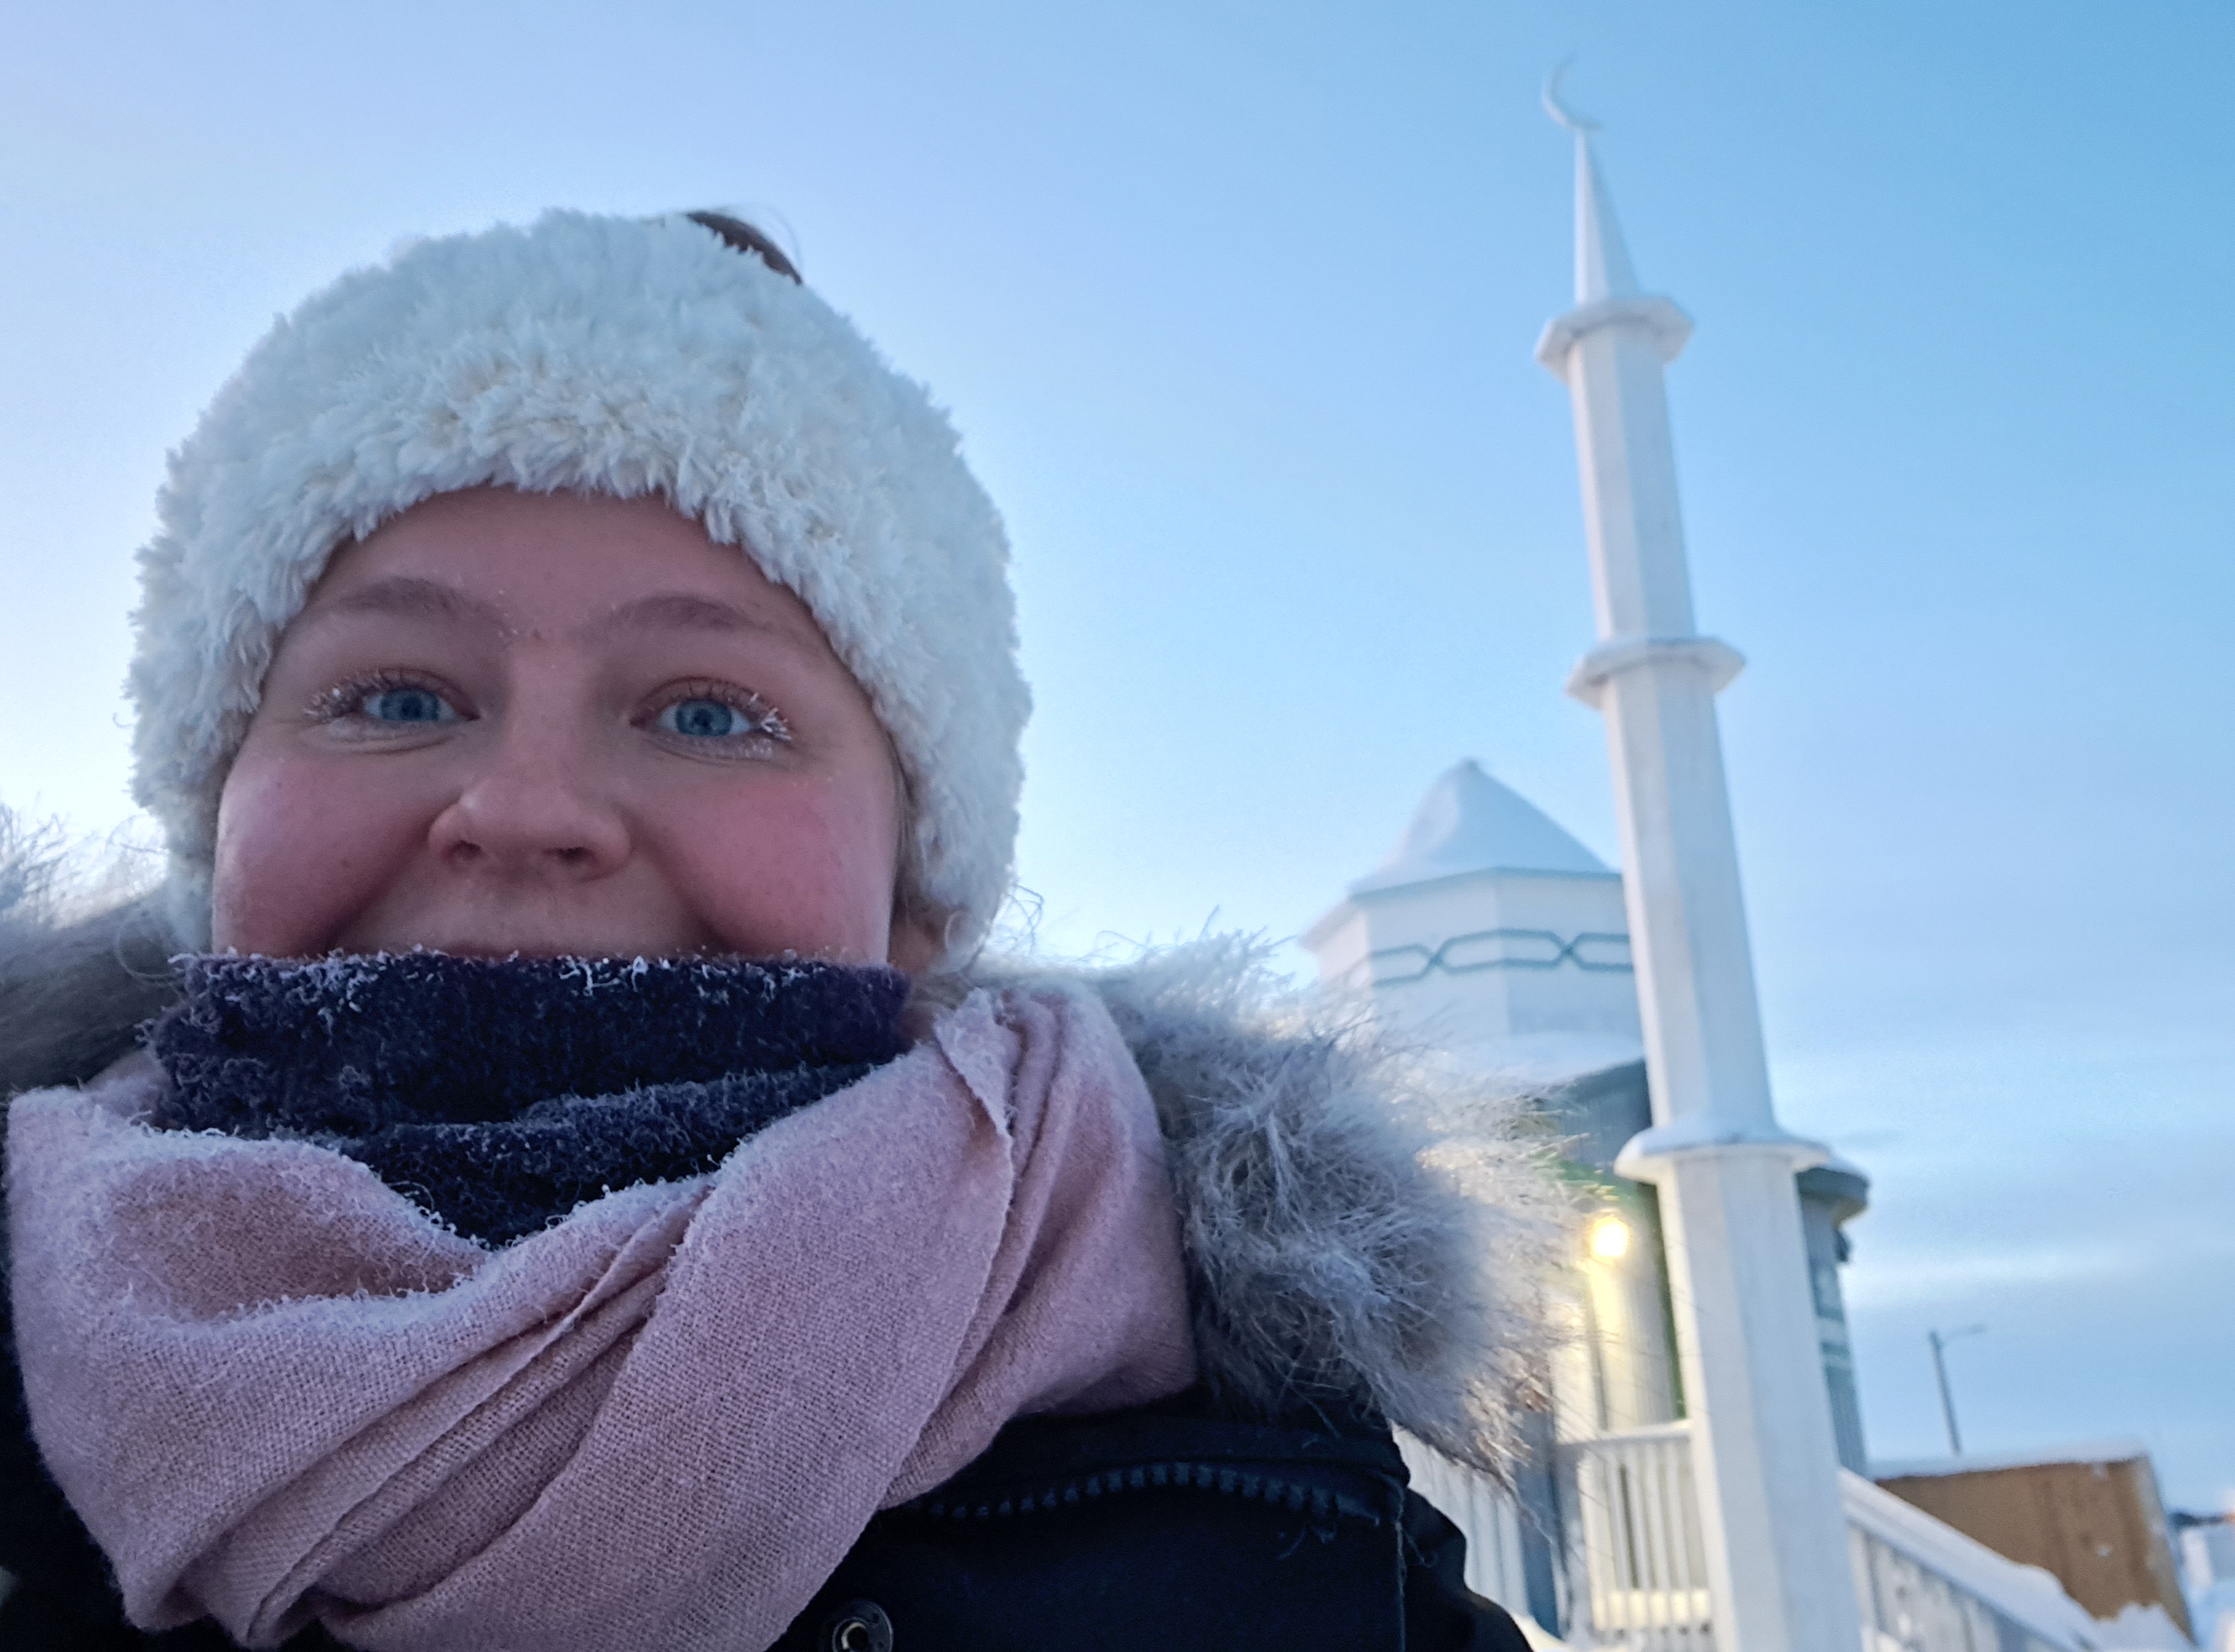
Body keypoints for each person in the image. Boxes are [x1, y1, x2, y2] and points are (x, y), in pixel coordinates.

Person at [0, 209, 1565, 1651]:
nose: (528, 805)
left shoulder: (1293, 1561)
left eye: (709, 712)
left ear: (920, 899)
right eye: (397, 696)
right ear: (213, 819)